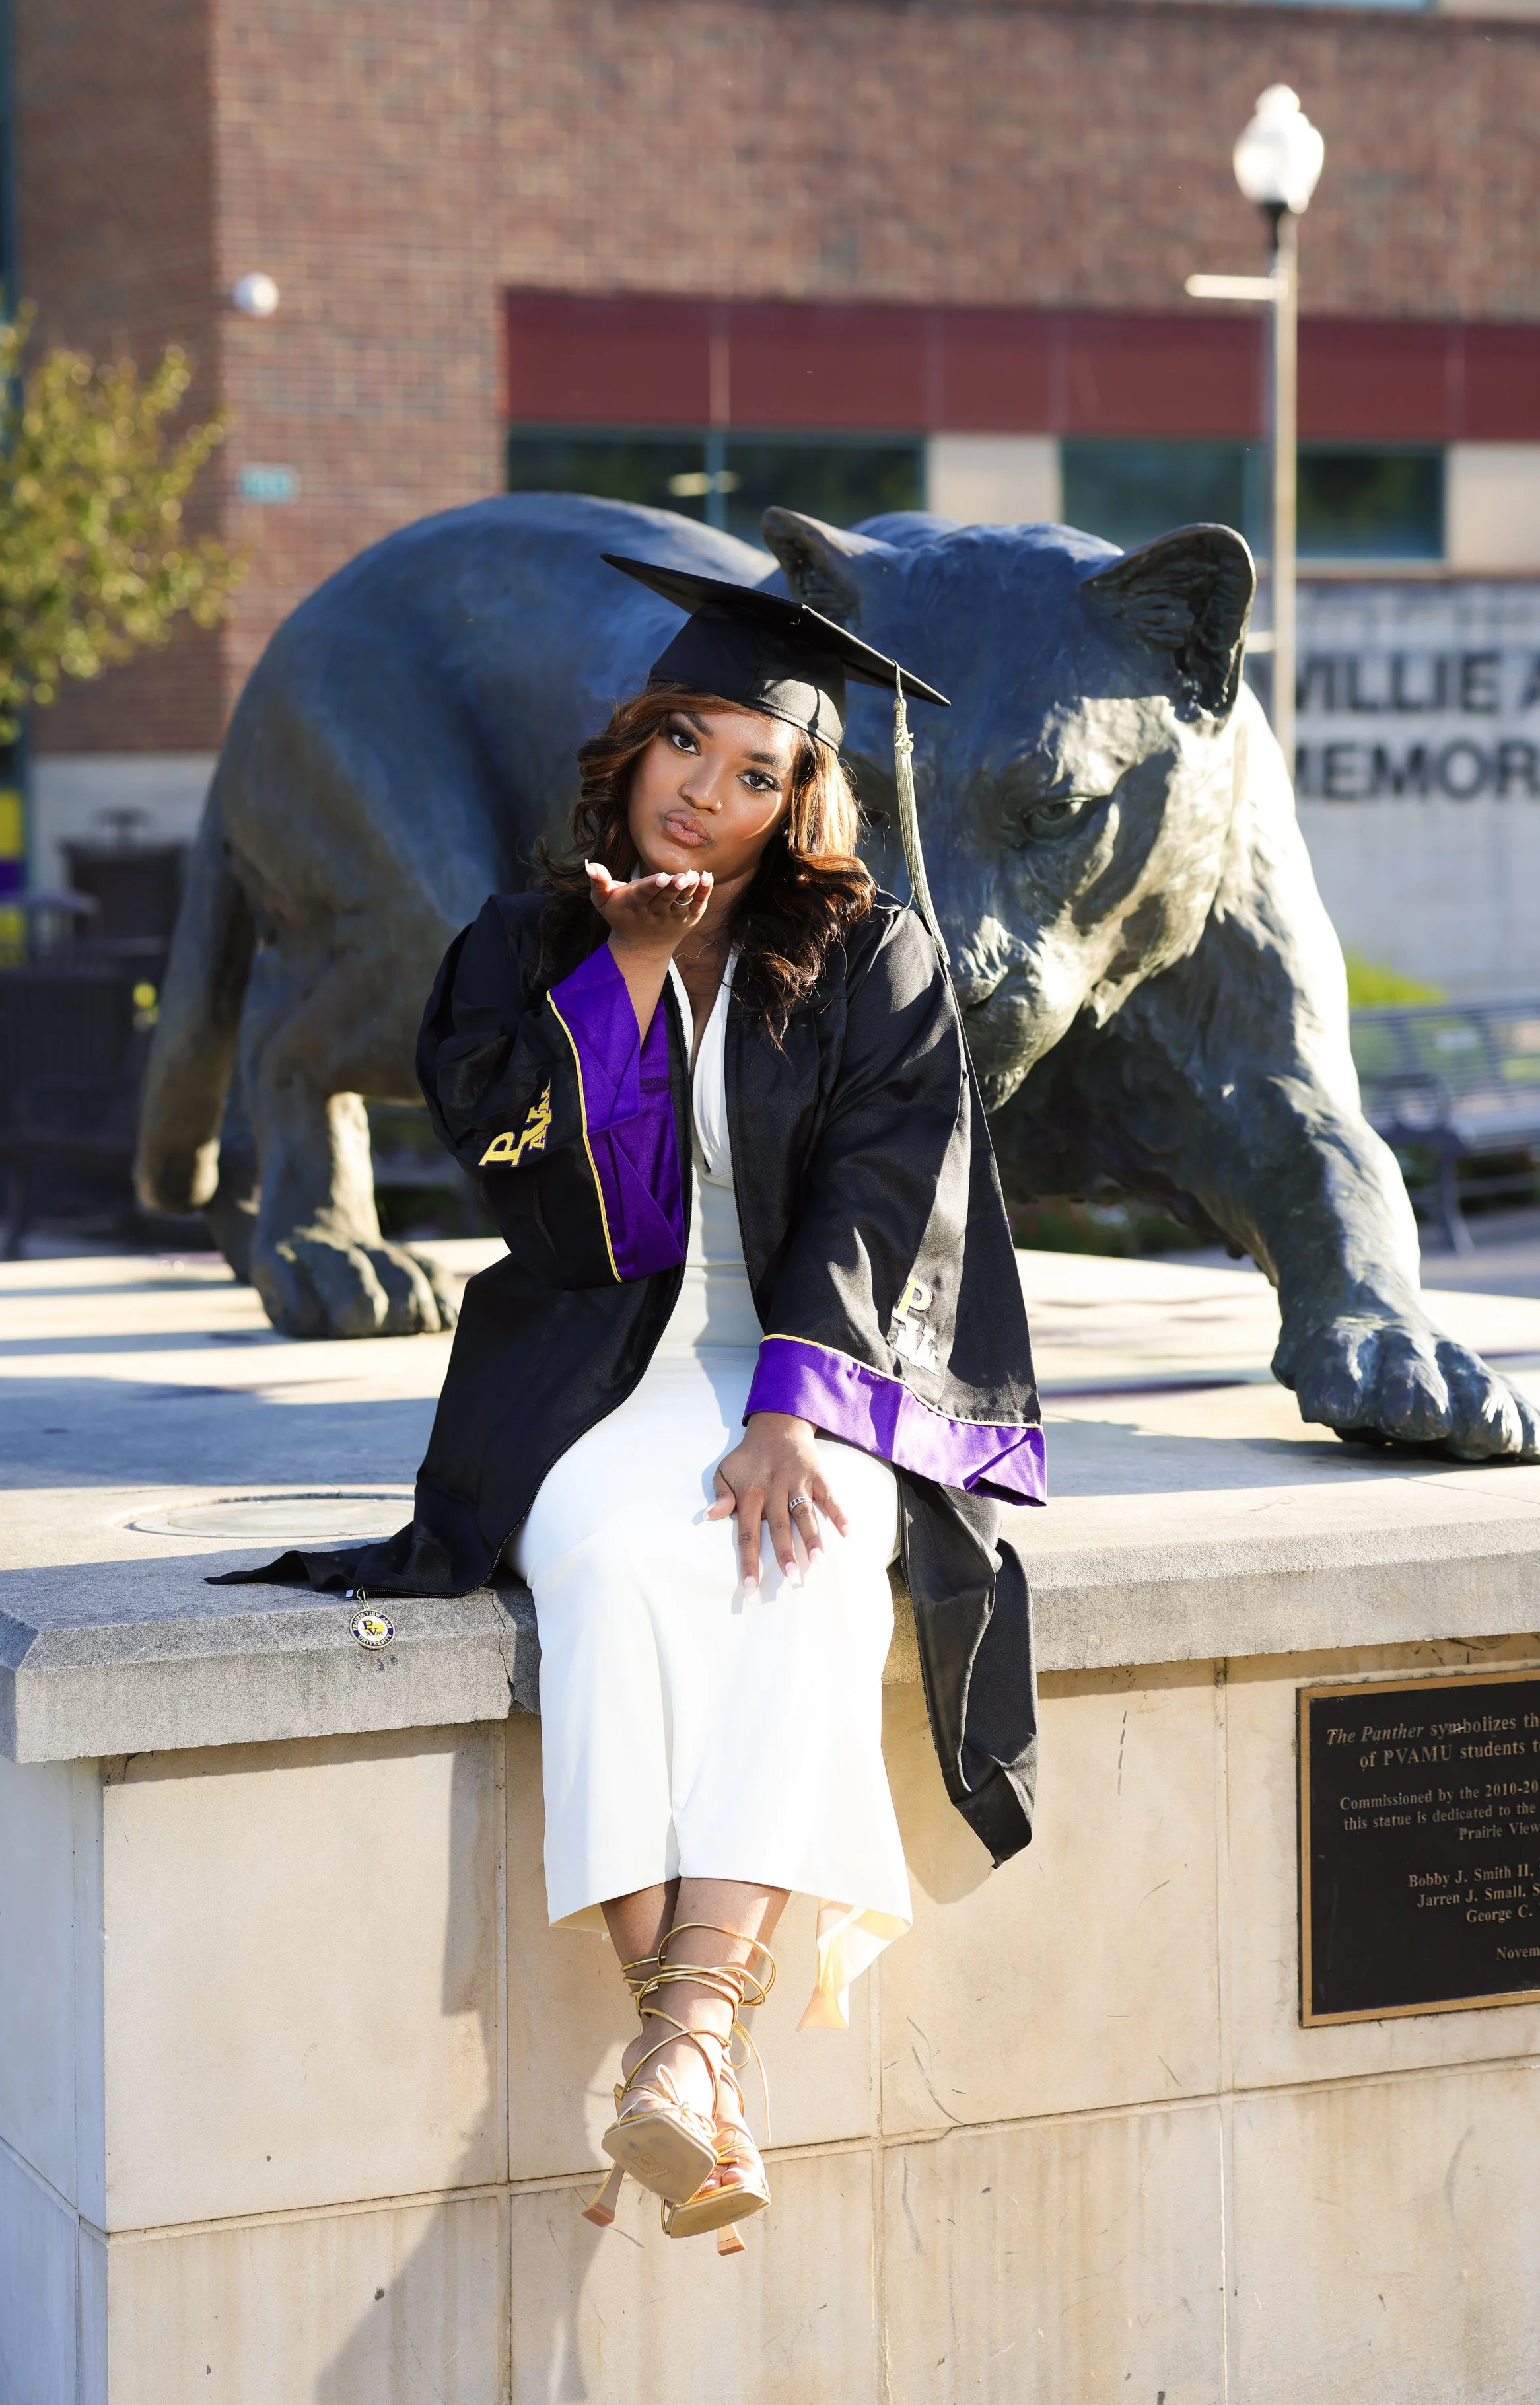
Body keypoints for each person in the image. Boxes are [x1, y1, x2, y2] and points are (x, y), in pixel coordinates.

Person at [213, 555, 1045, 2253]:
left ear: (802, 796)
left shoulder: (870, 951)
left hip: (803, 1363)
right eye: (689, 744)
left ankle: (677, 2050)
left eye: (760, 771)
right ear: (635, 739)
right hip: (592, 1363)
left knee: (802, 1568)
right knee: (605, 1569)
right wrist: (630, 983)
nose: (711, 793)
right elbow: (572, 1226)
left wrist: (797, 1409)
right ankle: (699, 2058)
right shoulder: (516, 945)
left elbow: (881, 1200)